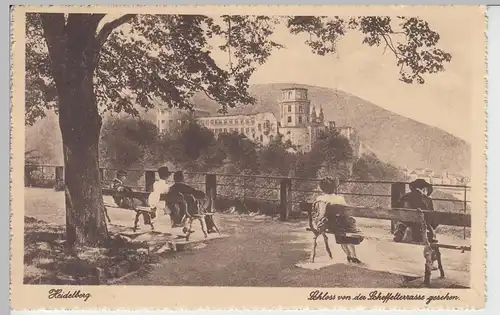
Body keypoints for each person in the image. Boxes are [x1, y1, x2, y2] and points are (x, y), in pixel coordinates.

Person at [312, 177, 364, 264]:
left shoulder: (319, 199)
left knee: (341, 235)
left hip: (327, 225)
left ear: (322, 188)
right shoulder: (339, 199)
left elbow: (317, 213)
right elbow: (347, 212)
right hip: (340, 226)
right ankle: (353, 256)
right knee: (348, 230)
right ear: (334, 188)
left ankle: (348, 255)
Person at [393, 178, 438, 244]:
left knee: (405, 219)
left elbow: (397, 209)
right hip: (421, 223)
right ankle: (427, 235)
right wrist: (433, 225)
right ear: (424, 189)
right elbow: (431, 215)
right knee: (429, 219)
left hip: (406, 220)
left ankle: (401, 229)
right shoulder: (428, 200)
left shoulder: (405, 196)